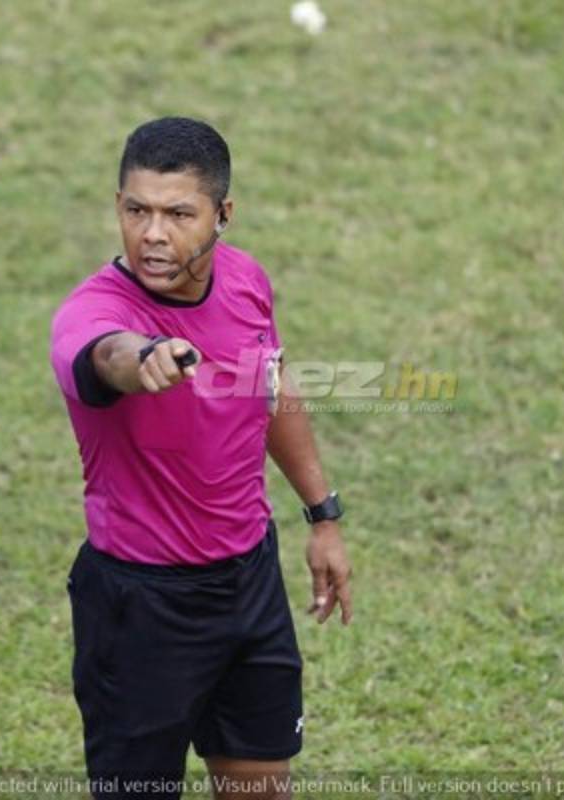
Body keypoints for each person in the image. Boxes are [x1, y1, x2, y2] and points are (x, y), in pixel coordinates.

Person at [50, 117, 353, 799]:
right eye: (137, 211)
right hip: (140, 608)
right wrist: (143, 359)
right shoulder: (90, 313)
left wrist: (323, 516)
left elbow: (270, 387)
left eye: (178, 214)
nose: (152, 234)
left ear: (222, 215)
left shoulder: (246, 281)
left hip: (249, 582)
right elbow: (104, 354)